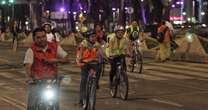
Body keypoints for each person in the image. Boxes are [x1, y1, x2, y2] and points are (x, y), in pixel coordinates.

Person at [24, 27, 70, 110]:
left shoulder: (55, 47)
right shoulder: (31, 50)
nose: (42, 39)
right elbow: (28, 66)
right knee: (31, 105)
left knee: (56, 104)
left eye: (43, 36)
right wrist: (29, 77)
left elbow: (67, 59)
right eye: (38, 37)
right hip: (37, 82)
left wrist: (55, 60)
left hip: (52, 81)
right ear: (34, 39)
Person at [76, 29, 105, 106]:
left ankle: (96, 82)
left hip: (93, 62)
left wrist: (104, 59)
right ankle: (81, 100)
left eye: (95, 36)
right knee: (83, 80)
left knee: (99, 67)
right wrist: (81, 59)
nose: (94, 38)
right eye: (92, 36)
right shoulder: (83, 44)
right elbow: (80, 55)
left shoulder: (97, 44)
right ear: (88, 37)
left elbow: (101, 53)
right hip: (84, 63)